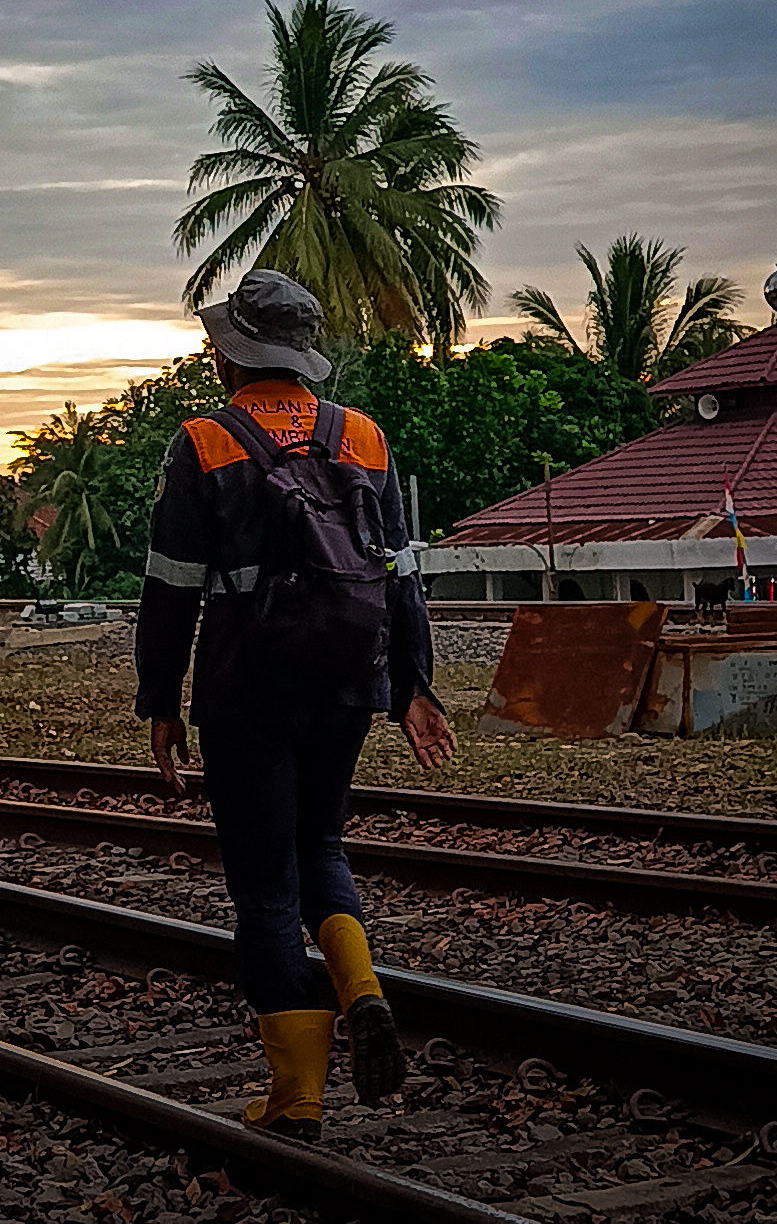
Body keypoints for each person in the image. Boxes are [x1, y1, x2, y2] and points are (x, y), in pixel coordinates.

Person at [134, 268, 459, 1142]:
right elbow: (398, 571)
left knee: (264, 887)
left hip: (247, 684)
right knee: (320, 842)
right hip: (349, 679)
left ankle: (297, 1098)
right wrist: (412, 688)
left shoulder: (205, 440)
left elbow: (169, 588)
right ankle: (361, 989)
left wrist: (160, 701)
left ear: (233, 351)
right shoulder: (360, 436)